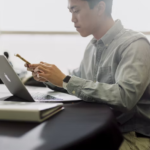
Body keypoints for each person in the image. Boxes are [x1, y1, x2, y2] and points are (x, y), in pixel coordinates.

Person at [25, 0, 150, 149]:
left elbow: (124, 97)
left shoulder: (134, 44)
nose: (72, 19)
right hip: (104, 130)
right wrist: (49, 77)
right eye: (70, 12)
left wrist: (65, 80)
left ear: (100, 8)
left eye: (76, 10)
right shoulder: (92, 47)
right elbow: (76, 83)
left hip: (131, 137)